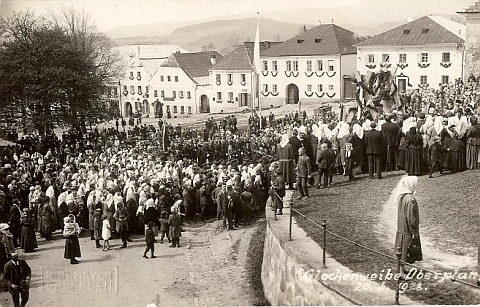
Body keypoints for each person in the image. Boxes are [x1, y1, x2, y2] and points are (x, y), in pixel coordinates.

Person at [393, 176, 422, 275]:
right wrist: (414, 231)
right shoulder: (410, 199)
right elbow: (411, 218)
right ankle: (401, 273)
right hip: (407, 230)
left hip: (401, 227)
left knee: (400, 250)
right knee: (405, 250)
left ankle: (399, 270)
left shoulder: (402, 196)